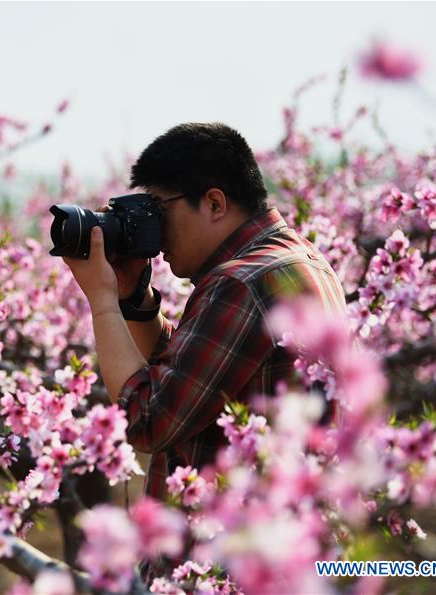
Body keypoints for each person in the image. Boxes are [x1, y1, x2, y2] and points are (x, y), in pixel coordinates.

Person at [62, 122, 347, 574]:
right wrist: (133, 297)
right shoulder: (296, 260)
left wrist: (102, 301)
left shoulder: (238, 282)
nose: (154, 229)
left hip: (225, 564)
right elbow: (190, 381)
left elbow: (149, 418)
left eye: (158, 209)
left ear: (214, 202)